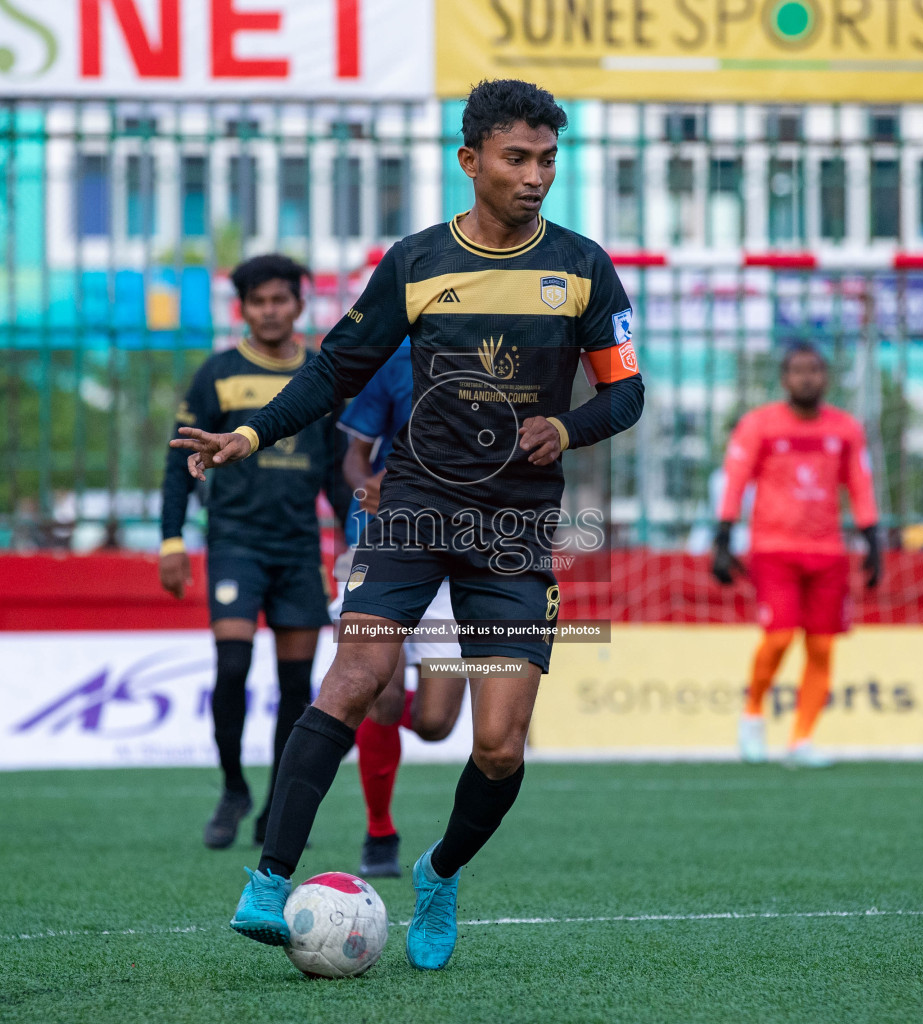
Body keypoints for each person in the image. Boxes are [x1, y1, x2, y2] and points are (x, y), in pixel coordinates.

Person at [172, 79, 645, 970]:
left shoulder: (583, 268)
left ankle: (439, 869)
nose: (535, 176)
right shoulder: (417, 262)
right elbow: (333, 370)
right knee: (352, 679)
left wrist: (569, 425)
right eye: (516, 159)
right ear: (470, 162)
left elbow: (627, 393)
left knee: (500, 747)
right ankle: (269, 882)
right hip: (413, 507)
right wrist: (248, 429)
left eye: (547, 160)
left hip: (514, 528)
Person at [158, 253, 343, 850]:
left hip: (298, 550)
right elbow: (177, 460)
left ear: (298, 304)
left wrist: (355, 543)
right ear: (244, 309)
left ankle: (275, 809)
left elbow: (341, 470)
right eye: (259, 302)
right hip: (236, 543)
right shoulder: (218, 373)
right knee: (232, 668)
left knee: (297, 687)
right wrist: (171, 539)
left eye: (280, 300)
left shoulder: (321, 376)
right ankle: (233, 787)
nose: (270, 311)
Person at [334, 338, 469, 879]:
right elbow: (354, 457)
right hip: (380, 543)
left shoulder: (494, 358)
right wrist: (366, 487)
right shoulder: (389, 361)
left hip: (455, 552)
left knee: (436, 724)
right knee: (380, 697)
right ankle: (379, 831)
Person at [711, 342, 882, 768]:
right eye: (798, 370)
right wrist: (723, 535)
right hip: (773, 549)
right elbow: (735, 479)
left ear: (826, 377)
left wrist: (874, 538)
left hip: (828, 552)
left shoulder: (845, 429)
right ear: (784, 379)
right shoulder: (759, 425)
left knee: (822, 648)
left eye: (815, 370)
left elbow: (859, 483)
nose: (807, 377)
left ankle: (801, 740)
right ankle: (752, 717)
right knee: (780, 636)